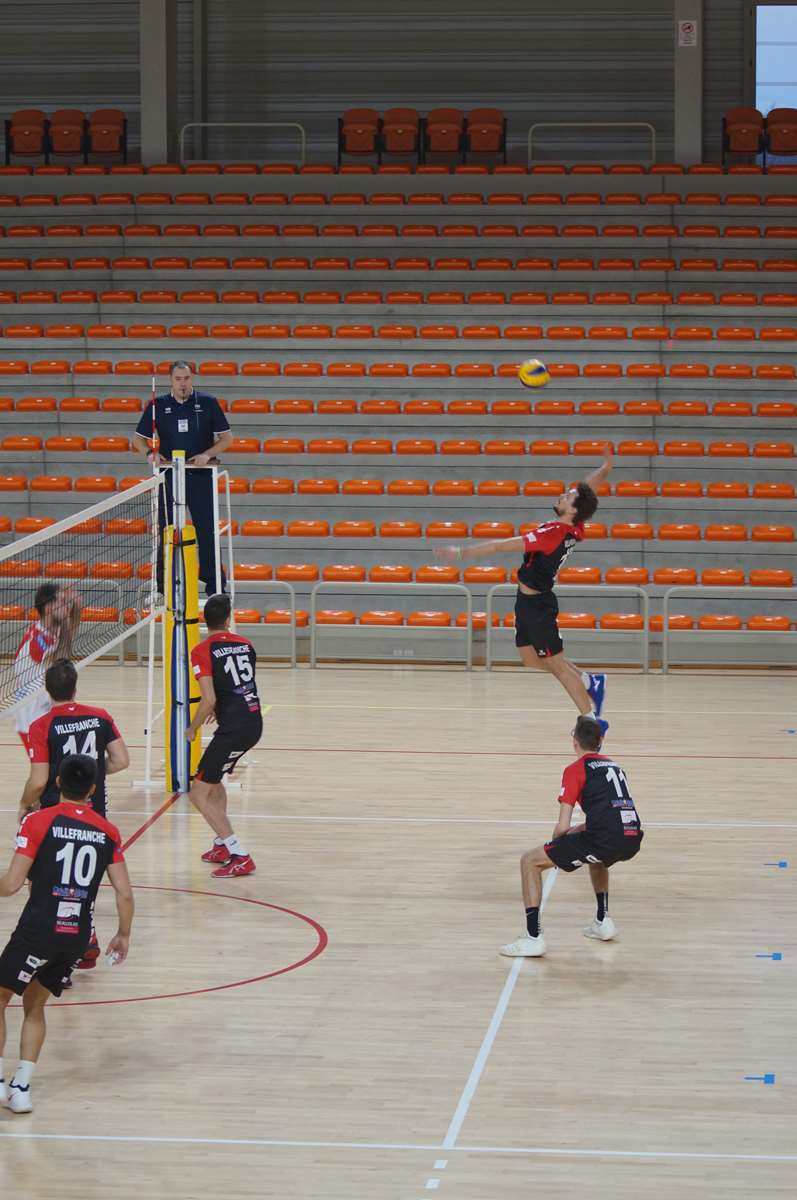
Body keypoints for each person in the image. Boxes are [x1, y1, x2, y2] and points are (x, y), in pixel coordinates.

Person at [434, 447, 613, 732]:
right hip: (526, 603)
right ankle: (588, 681)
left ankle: (591, 720)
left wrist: (461, 553)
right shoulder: (575, 526)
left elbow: (500, 546)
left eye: (567, 496)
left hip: (539, 607)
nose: (563, 495)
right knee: (530, 659)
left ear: (572, 509)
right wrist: (603, 471)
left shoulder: (552, 534)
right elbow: (587, 490)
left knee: (557, 667)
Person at [0, 754, 134, 1113]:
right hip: (76, 935)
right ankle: (21, 1088)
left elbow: (11, 884)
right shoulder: (107, 831)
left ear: (58, 782)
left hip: (38, 929)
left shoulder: (38, 821)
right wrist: (123, 934)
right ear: (92, 789)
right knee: (35, 1006)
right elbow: (124, 892)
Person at [500, 715, 643, 959]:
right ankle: (603, 921)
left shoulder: (575, 770)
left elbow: (563, 825)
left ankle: (533, 938)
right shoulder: (615, 766)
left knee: (530, 861)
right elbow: (614, 813)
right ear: (600, 742)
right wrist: (581, 830)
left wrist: (555, 846)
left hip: (604, 837)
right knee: (597, 855)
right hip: (632, 836)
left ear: (574, 741)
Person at [132, 360, 233, 596]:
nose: (183, 383)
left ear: (192, 378)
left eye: (186, 378)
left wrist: (207, 455)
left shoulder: (207, 402)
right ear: (171, 380)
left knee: (207, 532)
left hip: (201, 476)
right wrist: (150, 454)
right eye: (178, 379)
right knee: (166, 531)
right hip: (169, 477)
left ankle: (214, 586)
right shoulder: (158, 405)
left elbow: (227, 439)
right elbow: (138, 439)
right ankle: (164, 587)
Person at [186, 594, 262, 878]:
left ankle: (239, 854)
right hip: (250, 721)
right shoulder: (246, 644)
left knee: (197, 793)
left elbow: (209, 698)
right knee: (213, 782)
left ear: (204, 620)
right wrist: (221, 709)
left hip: (235, 729)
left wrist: (193, 727)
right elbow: (239, 685)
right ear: (228, 619)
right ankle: (221, 845)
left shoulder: (201, 650)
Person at [19, 659, 130, 822]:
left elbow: (38, 782)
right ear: (75, 689)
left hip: (56, 814)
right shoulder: (101, 716)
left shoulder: (41, 726)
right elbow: (121, 761)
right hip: (94, 812)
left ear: (47, 689)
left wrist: (24, 803)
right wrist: (88, 771)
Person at [13, 583, 81, 757]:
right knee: (45, 769)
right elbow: (60, 656)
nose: (67, 606)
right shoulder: (37, 640)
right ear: (50, 608)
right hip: (31, 717)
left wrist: (76, 606)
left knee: (59, 765)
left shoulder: (52, 629)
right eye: (63, 602)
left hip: (47, 708)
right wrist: (70, 615)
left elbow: (69, 629)